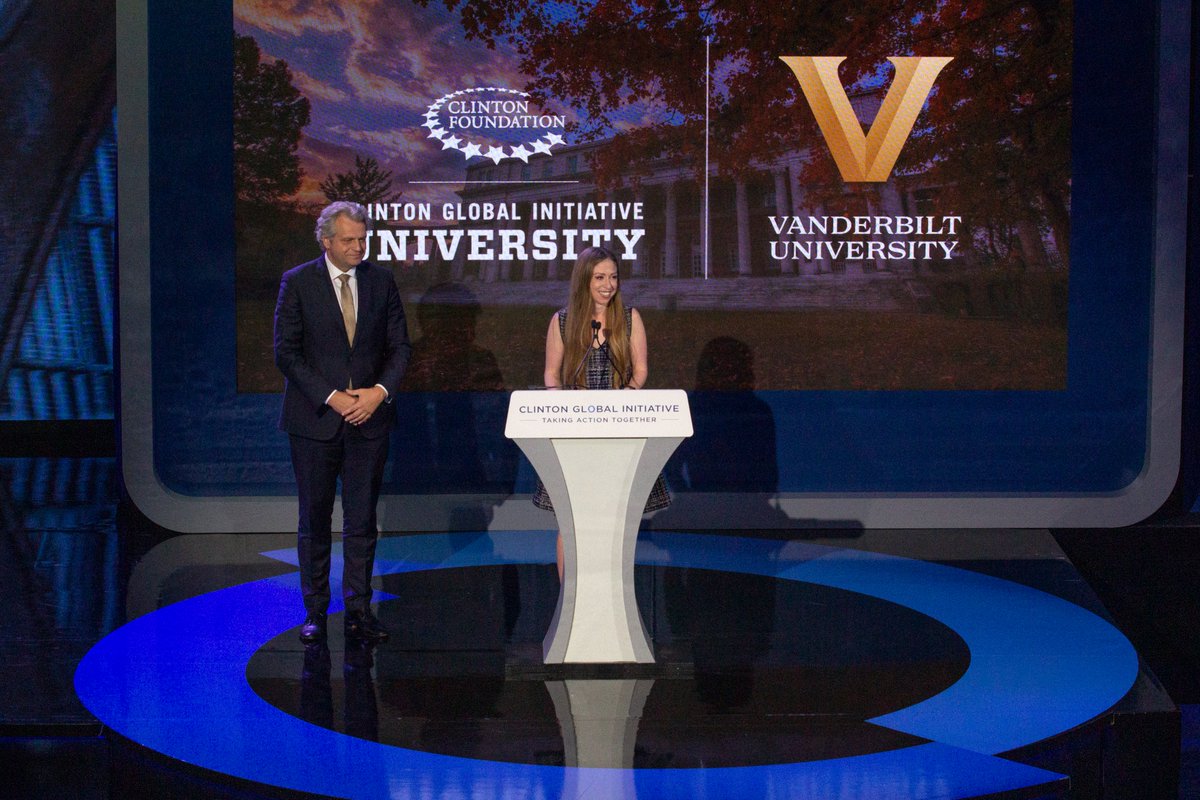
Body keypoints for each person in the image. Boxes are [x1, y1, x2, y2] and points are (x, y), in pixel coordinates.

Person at [274, 201, 411, 644]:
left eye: (362, 239)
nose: (358, 247)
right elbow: (287, 353)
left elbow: (400, 349)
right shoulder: (297, 282)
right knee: (314, 520)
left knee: (361, 520)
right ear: (326, 241)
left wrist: (378, 393)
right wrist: (333, 398)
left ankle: (358, 610)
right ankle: (314, 611)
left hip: (369, 420)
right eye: (349, 240)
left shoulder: (381, 281)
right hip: (315, 421)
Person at [532, 246, 670, 572]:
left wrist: (626, 398)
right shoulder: (562, 321)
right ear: (584, 280)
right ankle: (571, 606)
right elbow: (552, 373)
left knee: (614, 523)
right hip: (574, 436)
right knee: (571, 524)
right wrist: (561, 406)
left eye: (613, 277)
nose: (608, 284)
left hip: (618, 433)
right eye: (600, 277)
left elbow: (640, 370)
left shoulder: (629, 318)